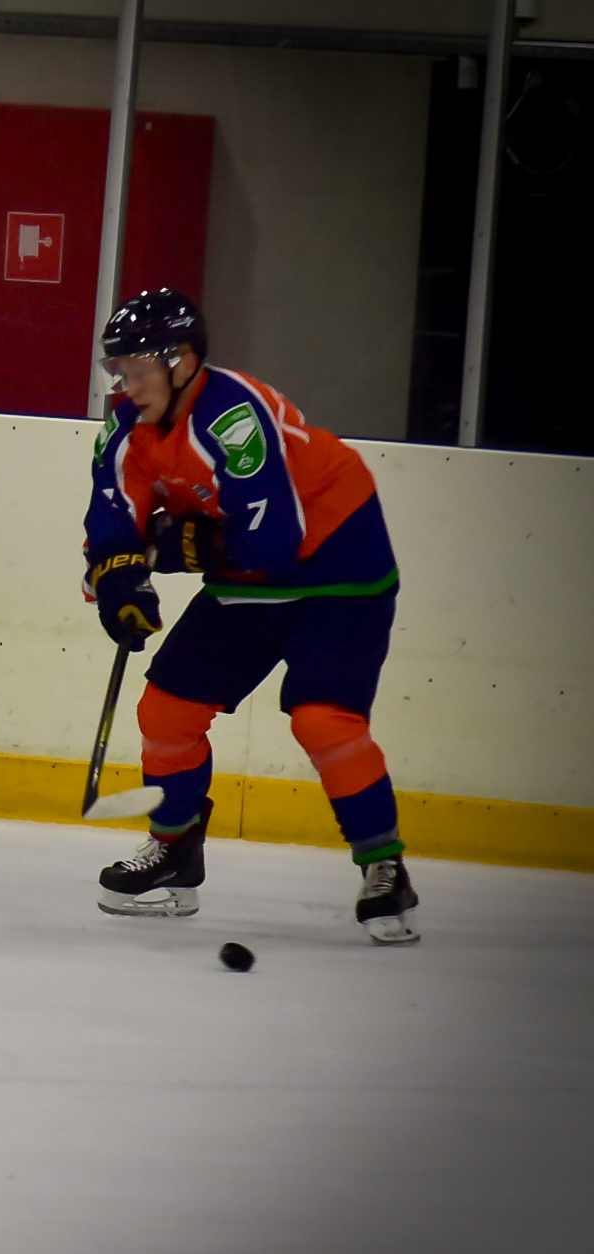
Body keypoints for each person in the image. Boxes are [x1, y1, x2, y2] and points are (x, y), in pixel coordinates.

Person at [83, 287, 418, 942]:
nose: (126, 383)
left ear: (184, 362)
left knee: (324, 720)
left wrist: (169, 546)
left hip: (340, 570)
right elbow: (113, 516)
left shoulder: (234, 415)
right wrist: (121, 583)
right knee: (167, 711)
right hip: (249, 582)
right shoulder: (125, 425)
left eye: (139, 368)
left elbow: (270, 541)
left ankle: (384, 865)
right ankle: (175, 849)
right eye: (119, 369)